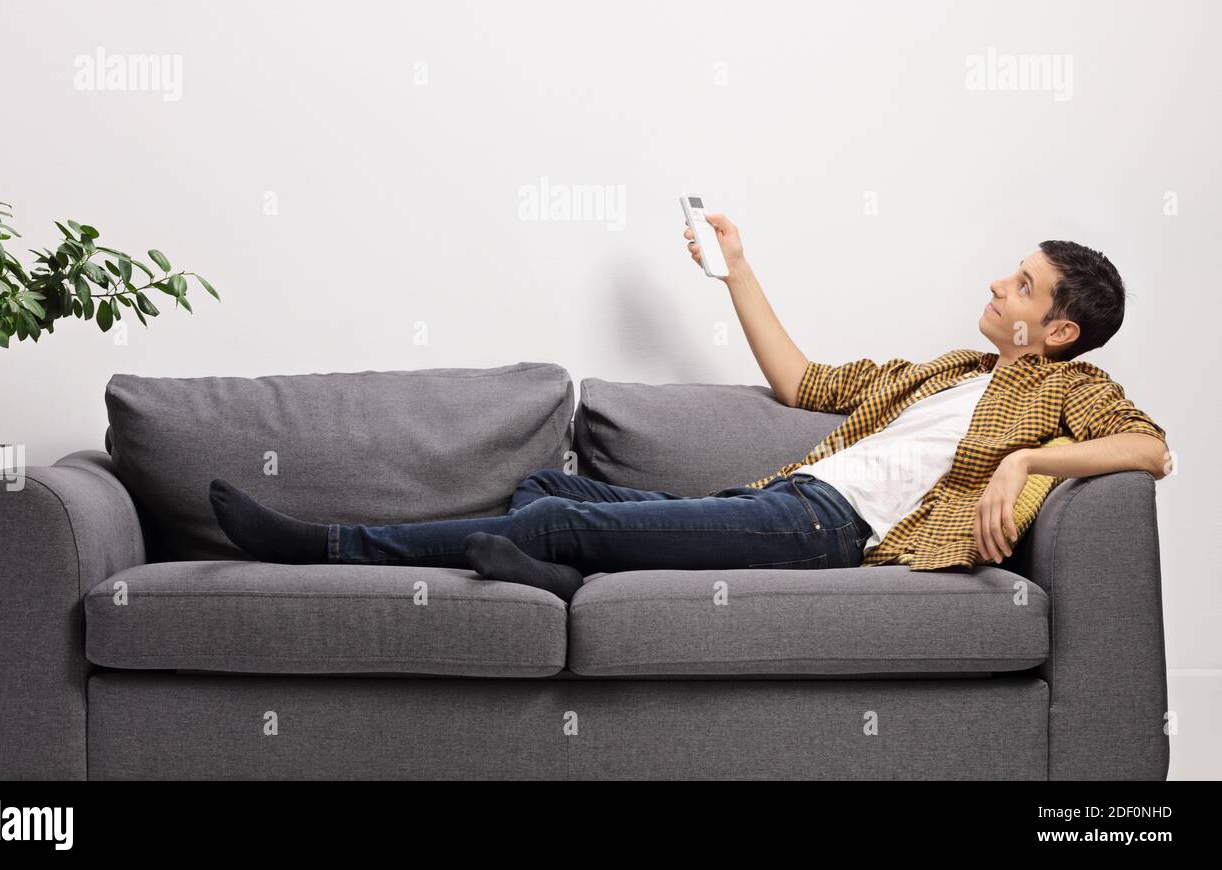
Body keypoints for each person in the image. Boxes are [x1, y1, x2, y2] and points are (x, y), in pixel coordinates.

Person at [209, 217, 1170, 601]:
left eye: (1024, 284)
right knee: (548, 482)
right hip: (788, 499)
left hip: (833, 531)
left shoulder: (1072, 394)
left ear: (1058, 332)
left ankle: (324, 545)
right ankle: (545, 576)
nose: (1001, 284)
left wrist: (1027, 462)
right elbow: (805, 385)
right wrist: (738, 272)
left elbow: (1152, 450)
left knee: (551, 513)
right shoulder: (951, 371)